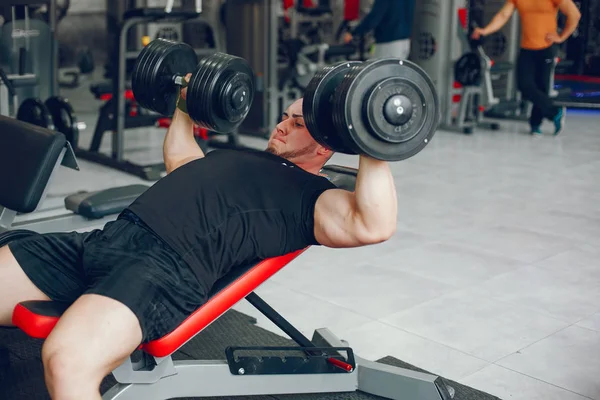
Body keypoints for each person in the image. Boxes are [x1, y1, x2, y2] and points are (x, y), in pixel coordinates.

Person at [0, 82, 398, 399]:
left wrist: (371, 140)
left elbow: (372, 225)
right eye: (284, 117)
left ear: (325, 145)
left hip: (159, 271)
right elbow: (179, 161)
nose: (281, 125)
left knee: (67, 362)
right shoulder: (235, 158)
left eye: (296, 124)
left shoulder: (310, 194)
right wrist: (185, 105)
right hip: (104, 241)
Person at [471, 0, 581, 136]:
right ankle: (555, 111)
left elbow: (574, 14)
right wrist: (485, 31)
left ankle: (535, 124)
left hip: (547, 48)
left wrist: (562, 37)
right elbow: (503, 15)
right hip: (527, 49)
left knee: (542, 87)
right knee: (524, 85)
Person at [343, 0, 416, 60]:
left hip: (387, 43)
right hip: (405, 42)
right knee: (396, 75)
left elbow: (374, 18)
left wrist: (353, 33)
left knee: (377, 75)